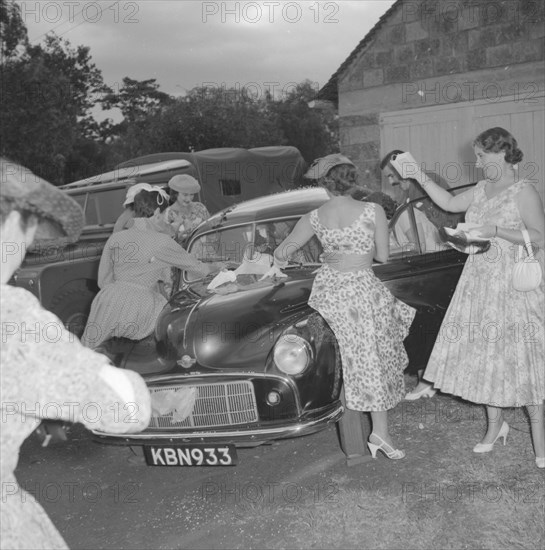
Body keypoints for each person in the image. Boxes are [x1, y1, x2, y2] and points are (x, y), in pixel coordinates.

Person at [0, 158, 152, 549]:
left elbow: (103, 281)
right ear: (16, 225)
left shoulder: (118, 236)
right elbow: (123, 408)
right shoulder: (11, 314)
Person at [397, 128, 544, 469]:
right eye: (477, 156)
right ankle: (495, 425)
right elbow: (448, 203)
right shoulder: (480, 190)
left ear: (501, 154)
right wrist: (417, 173)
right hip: (479, 284)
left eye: (481, 156)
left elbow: (539, 236)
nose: (476, 163)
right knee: (487, 358)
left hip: (513, 286)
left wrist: (496, 231)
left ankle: (539, 434)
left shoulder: (523, 191)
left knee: (521, 358)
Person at [269, 154, 416, 459]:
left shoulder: (314, 217)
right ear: (352, 181)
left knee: (347, 361)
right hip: (361, 291)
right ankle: (379, 433)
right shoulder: (372, 210)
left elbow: (281, 254)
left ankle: (376, 433)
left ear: (325, 184)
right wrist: (358, 256)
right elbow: (384, 258)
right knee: (371, 359)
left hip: (331, 293)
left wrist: (320, 258)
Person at [81, 189, 224, 349]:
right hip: (142, 306)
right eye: (163, 216)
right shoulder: (161, 242)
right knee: (144, 356)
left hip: (107, 302)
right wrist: (219, 267)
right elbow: (198, 268)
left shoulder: (115, 238)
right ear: (156, 212)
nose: (165, 221)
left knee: (92, 356)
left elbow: (103, 281)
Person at [164, 174, 210, 242]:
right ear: (175, 193)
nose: (189, 199)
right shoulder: (167, 215)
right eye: (185, 195)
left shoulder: (200, 207)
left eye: (191, 194)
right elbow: (167, 243)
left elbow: (210, 228)